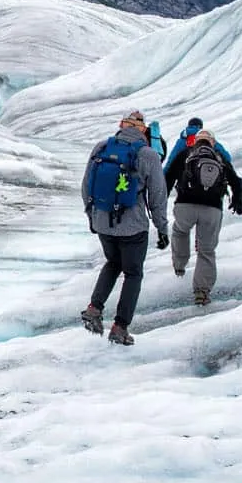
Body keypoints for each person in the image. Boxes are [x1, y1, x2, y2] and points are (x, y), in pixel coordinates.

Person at [80, 110, 170, 345]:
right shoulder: (148, 155)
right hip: (133, 227)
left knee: (113, 263)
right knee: (133, 273)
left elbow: (86, 186)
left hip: (103, 223)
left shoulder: (101, 147)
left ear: (122, 127)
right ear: (143, 131)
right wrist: (162, 228)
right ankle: (120, 327)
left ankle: (94, 308)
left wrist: (92, 217)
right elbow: (157, 196)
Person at [162, 129, 242, 305]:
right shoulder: (219, 157)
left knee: (180, 231)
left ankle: (179, 266)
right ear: (212, 142)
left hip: (185, 206)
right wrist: (237, 202)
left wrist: (161, 201)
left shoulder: (185, 154)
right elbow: (237, 182)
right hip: (212, 209)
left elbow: (168, 178)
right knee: (206, 250)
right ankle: (202, 292)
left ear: (195, 141)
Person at [163, 116, 233, 171]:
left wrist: (163, 177)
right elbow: (227, 157)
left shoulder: (182, 140)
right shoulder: (208, 138)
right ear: (201, 127)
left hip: (186, 176)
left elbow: (171, 161)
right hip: (207, 173)